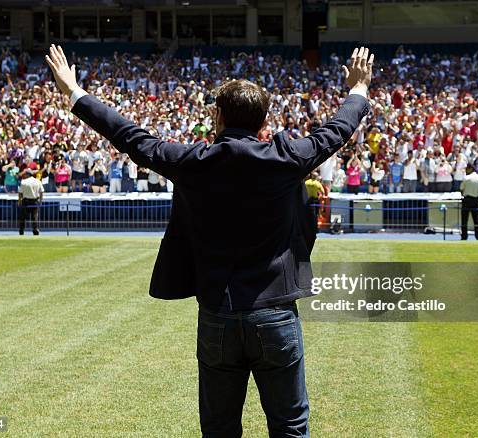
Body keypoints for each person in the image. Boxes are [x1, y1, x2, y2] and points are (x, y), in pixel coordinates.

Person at [46, 44, 373, 437]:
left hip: (219, 313)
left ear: (216, 116)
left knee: (219, 429)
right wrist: (358, 89)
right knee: (289, 427)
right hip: (276, 313)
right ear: (263, 120)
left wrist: (74, 92)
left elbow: (130, 136)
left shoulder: (192, 163)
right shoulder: (287, 158)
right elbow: (337, 130)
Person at [460, 164, 478, 241]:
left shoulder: (466, 178)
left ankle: (464, 236)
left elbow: (461, 188)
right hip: (475, 200)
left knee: (464, 219)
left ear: (470, 169)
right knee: (476, 219)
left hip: (467, 199)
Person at [18, 168, 44, 235]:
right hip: (35, 200)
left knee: (23, 217)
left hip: (26, 201)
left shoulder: (23, 182)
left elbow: (20, 193)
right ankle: (35, 230)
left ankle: (21, 230)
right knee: (34, 216)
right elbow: (41, 192)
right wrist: (41, 201)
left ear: (27, 174)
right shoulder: (38, 181)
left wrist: (19, 201)